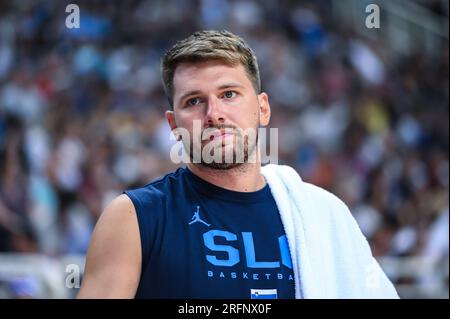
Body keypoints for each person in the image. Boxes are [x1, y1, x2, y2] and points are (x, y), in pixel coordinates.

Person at [77, 30, 398, 299]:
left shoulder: (323, 215)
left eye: (229, 94)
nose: (214, 113)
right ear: (174, 126)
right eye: (194, 101)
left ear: (263, 109)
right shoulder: (134, 217)